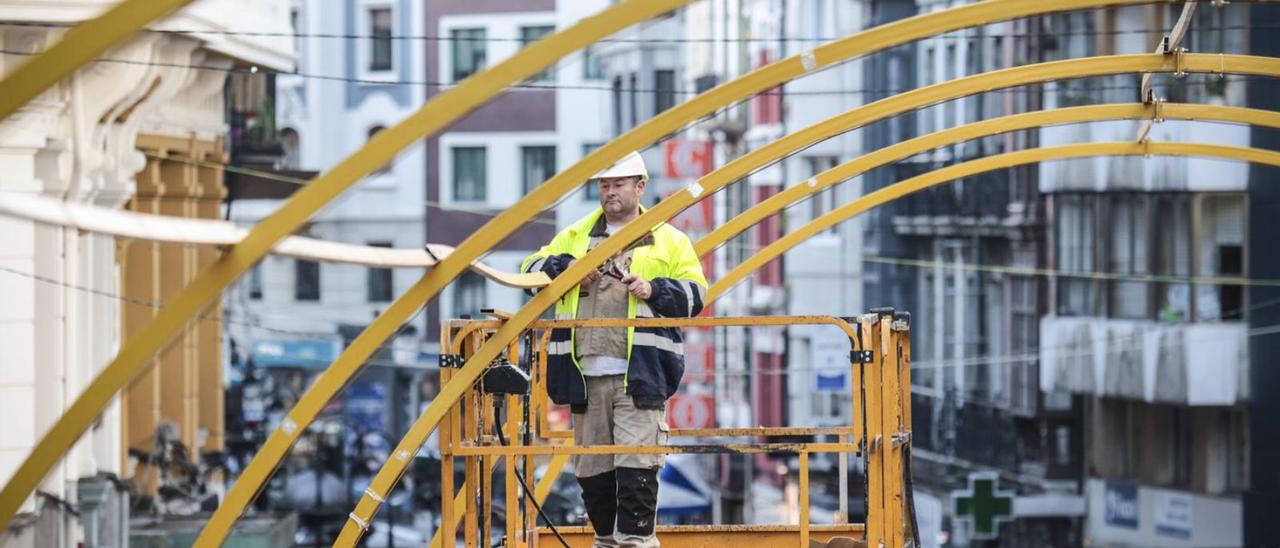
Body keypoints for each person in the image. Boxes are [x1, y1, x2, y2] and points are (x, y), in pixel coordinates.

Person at [522, 151, 707, 547]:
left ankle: (636, 543)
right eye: (604, 185)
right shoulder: (575, 236)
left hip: (640, 377)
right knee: (594, 478)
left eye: (619, 184)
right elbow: (528, 270)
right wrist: (567, 268)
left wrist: (654, 289)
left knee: (637, 476)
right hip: (584, 377)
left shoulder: (670, 240)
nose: (610, 192)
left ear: (640, 187)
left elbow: (695, 297)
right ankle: (607, 542)